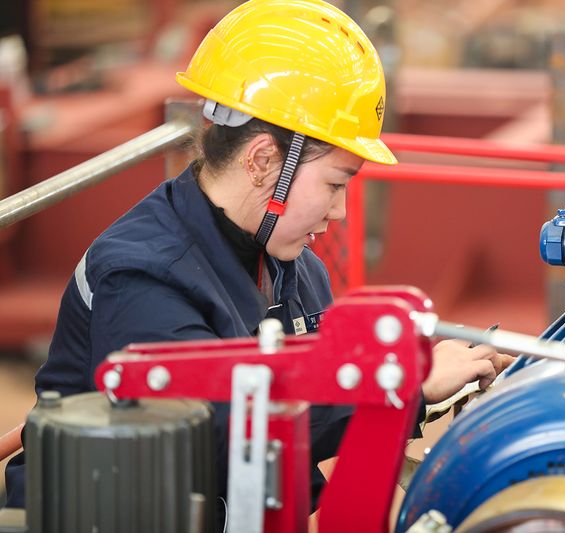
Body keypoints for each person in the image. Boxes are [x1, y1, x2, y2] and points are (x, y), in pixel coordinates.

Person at [3, 0, 514, 519]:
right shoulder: (140, 275)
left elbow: (306, 415)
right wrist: (405, 387)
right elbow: (214, 432)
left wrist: (416, 371)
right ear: (264, 160)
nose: (339, 211)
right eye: (336, 184)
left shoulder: (296, 268)